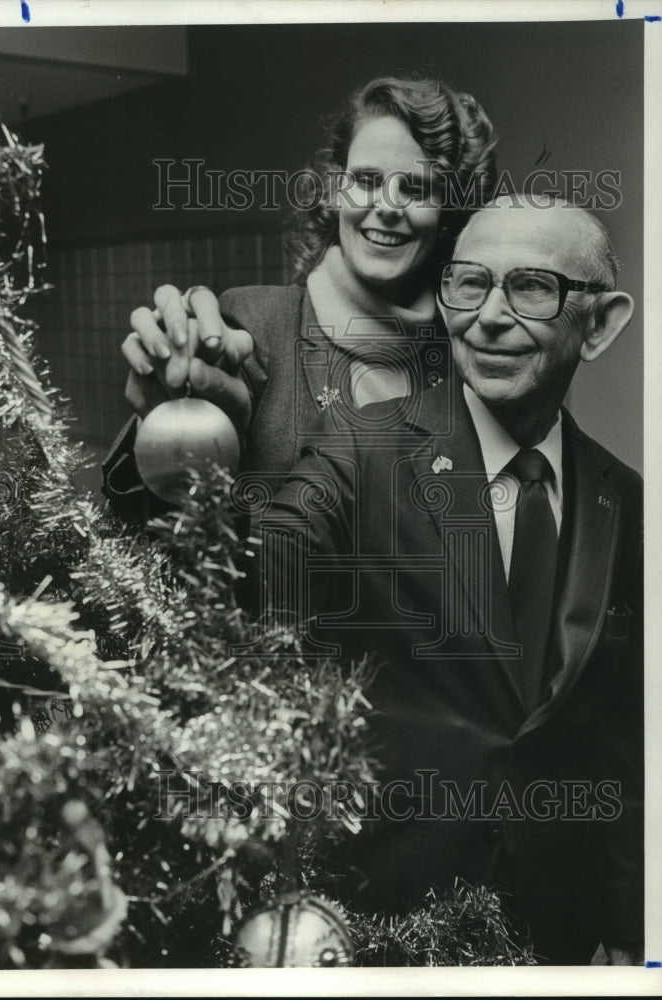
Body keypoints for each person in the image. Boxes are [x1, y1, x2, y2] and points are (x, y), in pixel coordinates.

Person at [258, 196, 643, 966]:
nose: (488, 318)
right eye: (467, 284)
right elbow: (257, 565)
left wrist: (632, 927)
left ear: (597, 324)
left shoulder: (624, 499)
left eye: (530, 288)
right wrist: (173, 443)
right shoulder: (359, 450)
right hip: (390, 920)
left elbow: (627, 739)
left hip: (560, 933)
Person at [102, 75, 497, 515]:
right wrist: (168, 422)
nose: (386, 205)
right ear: (336, 189)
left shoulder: (467, 350)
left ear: (449, 211)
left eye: (416, 188)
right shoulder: (254, 325)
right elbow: (153, 526)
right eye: (366, 179)